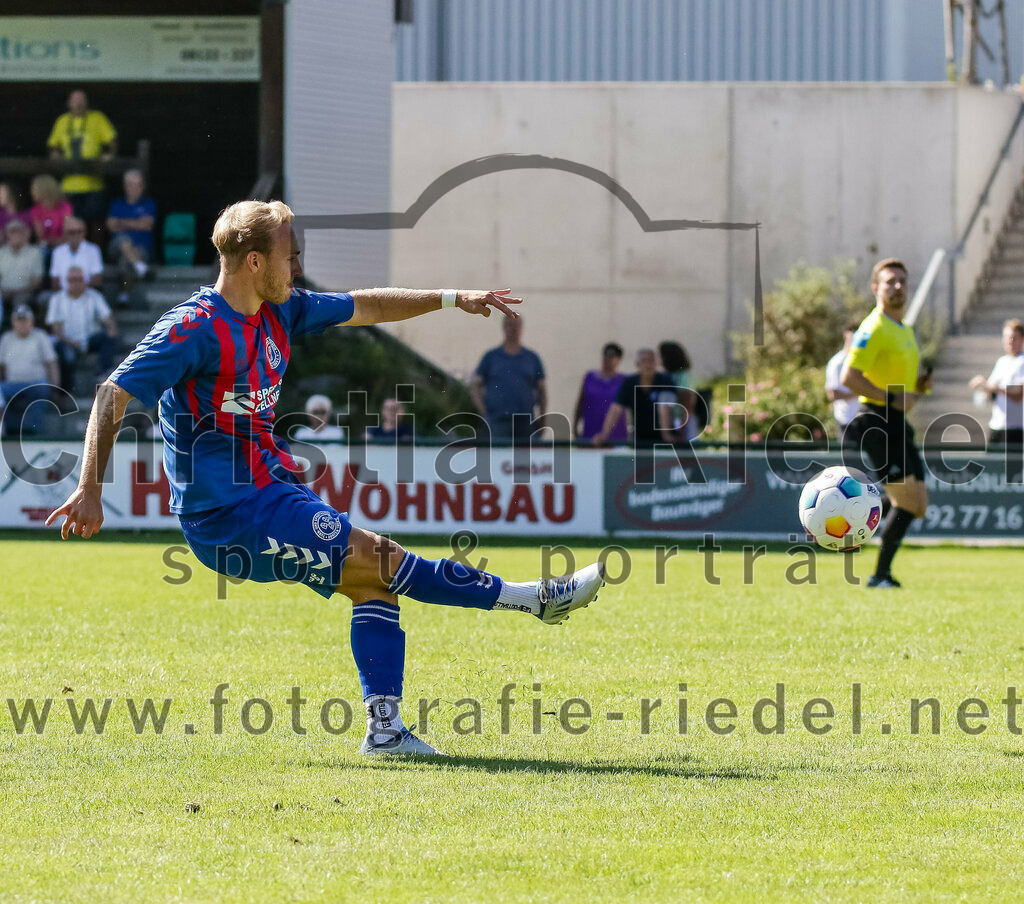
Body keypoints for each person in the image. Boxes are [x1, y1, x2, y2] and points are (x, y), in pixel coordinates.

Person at [46, 200, 606, 758]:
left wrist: (451, 298)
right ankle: (532, 600)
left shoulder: (281, 310)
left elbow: (365, 305)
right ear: (255, 263)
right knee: (381, 556)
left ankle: (386, 732)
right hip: (227, 515)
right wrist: (90, 487)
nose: (299, 268)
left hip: (271, 492)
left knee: (372, 582)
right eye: (292, 257)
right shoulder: (194, 329)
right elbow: (110, 395)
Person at [841, 258, 931, 590]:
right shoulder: (873, 327)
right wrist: (891, 399)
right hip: (877, 423)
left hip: (898, 422)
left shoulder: (903, 329)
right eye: (890, 281)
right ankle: (879, 575)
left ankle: (880, 570)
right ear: (876, 287)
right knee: (907, 502)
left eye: (902, 281)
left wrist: (917, 388)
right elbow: (849, 378)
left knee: (918, 505)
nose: (897, 287)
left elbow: (903, 392)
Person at [47, 89, 117, 233]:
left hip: (93, 185)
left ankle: (96, 252)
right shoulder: (62, 121)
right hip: (69, 185)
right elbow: (53, 145)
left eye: (81, 99)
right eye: (75, 100)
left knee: (95, 224)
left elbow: (112, 140)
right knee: (71, 223)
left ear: (87, 102)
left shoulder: (97, 118)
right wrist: (55, 155)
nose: (78, 103)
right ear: (69, 103)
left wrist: (109, 154)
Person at [471, 316, 547, 441]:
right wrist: (484, 413)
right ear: (504, 327)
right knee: (497, 458)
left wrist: (543, 419)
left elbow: (542, 391)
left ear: (521, 328)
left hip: (526, 422)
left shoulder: (532, 358)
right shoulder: (491, 357)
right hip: (498, 422)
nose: (513, 328)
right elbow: (475, 385)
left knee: (526, 459)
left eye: (516, 325)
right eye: (510, 324)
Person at [46, 267, 119, 392]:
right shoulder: (57, 299)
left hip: (89, 339)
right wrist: (70, 341)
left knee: (108, 337)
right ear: (67, 281)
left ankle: (102, 374)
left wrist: (112, 327)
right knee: (64, 353)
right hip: (67, 341)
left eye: (79, 279)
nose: (76, 283)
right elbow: (55, 327)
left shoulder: (94, 296)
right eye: (73, 280)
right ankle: (65, 391)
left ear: (85, 281)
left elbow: (107, 316)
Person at [593, 348, 677, 448]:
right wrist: (604, 434)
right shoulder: (630, 382)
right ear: (637, 364)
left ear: (657, 363)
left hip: (664, 442)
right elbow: (616, 409)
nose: (648, 365)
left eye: (651, 361)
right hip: (639, 441)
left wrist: (666, 435)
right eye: (644, 361)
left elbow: (665, 408)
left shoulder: (666, 381)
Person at [0, 305, 58, 436]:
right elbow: (1, 366)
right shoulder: (6, 338)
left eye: (25, 320)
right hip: (12, 384)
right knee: (0, 391)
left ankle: (35, 432)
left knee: (42, 389)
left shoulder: (40, 336)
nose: (22, 323)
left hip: (36, 383)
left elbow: (51, 363)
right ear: (13, 322)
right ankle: (6, 431)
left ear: (31, 321)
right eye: (19, 320)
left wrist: (55, 386)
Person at [969, 318, 1024, 445]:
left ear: (1022, 339)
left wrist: (991, 386)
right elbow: (993, 391)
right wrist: (985, 389)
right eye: (1006, 337)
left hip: (1015, 428)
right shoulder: (1002, 361)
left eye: (1014, 337)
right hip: (997, 425)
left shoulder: (1022, 362)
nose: (1009, 341)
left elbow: (1018, 394)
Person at [106, 169, 156, 304]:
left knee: (125, 261)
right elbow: (110, 225)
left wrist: (121, 222)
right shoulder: (117, 204)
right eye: (132, 185)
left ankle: (123, 296)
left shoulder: (149, 203)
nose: (136, 188)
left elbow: (147, 225)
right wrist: (136, 223)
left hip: (141, 248)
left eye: (139, 185)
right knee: (124, 240)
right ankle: (140, 267)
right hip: (116, 247)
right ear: (126, 186)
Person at [574, 342, 628, 443]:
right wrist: (575, 425)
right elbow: (581, 402)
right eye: (605, 354)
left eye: (612, 356)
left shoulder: (624, 381)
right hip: (591, 432)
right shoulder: (590, 377)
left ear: (619, 359)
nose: (607, 359)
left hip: (616, 435)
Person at [0, 220, 45, 322]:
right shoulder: (1, 252)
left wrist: (16, 291)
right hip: (3, 291)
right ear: (7, 234)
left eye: (18, 231)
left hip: (24, 291)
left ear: (25, 233)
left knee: (19, 300)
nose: (15, 234)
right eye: (11, 231)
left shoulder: (34, 252)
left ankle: (17, 332)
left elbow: (37, 280)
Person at [825, 321, 861, 437]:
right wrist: (861, 392)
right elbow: (833, 394)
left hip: (863, 421)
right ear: (846, 334)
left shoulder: (862, 360)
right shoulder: (837, 362)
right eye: (853, 333)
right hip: (846, 421)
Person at [658, 340, 699, 442]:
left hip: (680, 421)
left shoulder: (682, 376)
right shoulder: (666, 375)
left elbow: (686, 404)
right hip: (671, 420)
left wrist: (682, 430)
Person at [50, 217, 104, 291]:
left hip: (87, 293)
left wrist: (79, 291)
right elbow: (55, 279)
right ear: (65, 233)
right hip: (63, 294)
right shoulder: (57, 252)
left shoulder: (93, 250)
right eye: (72, 232)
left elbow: (97, 278)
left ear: (84, 232)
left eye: (79, 231)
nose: (76, 235)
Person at [29, 174, 73, 265]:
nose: (32, 192)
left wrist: (56, 241)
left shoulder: (65, 207)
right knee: (39, 253)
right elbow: (40, 235)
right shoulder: (35, 210)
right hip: (46, 247)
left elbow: (68, 232)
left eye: (34, 188)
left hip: (64, 244)